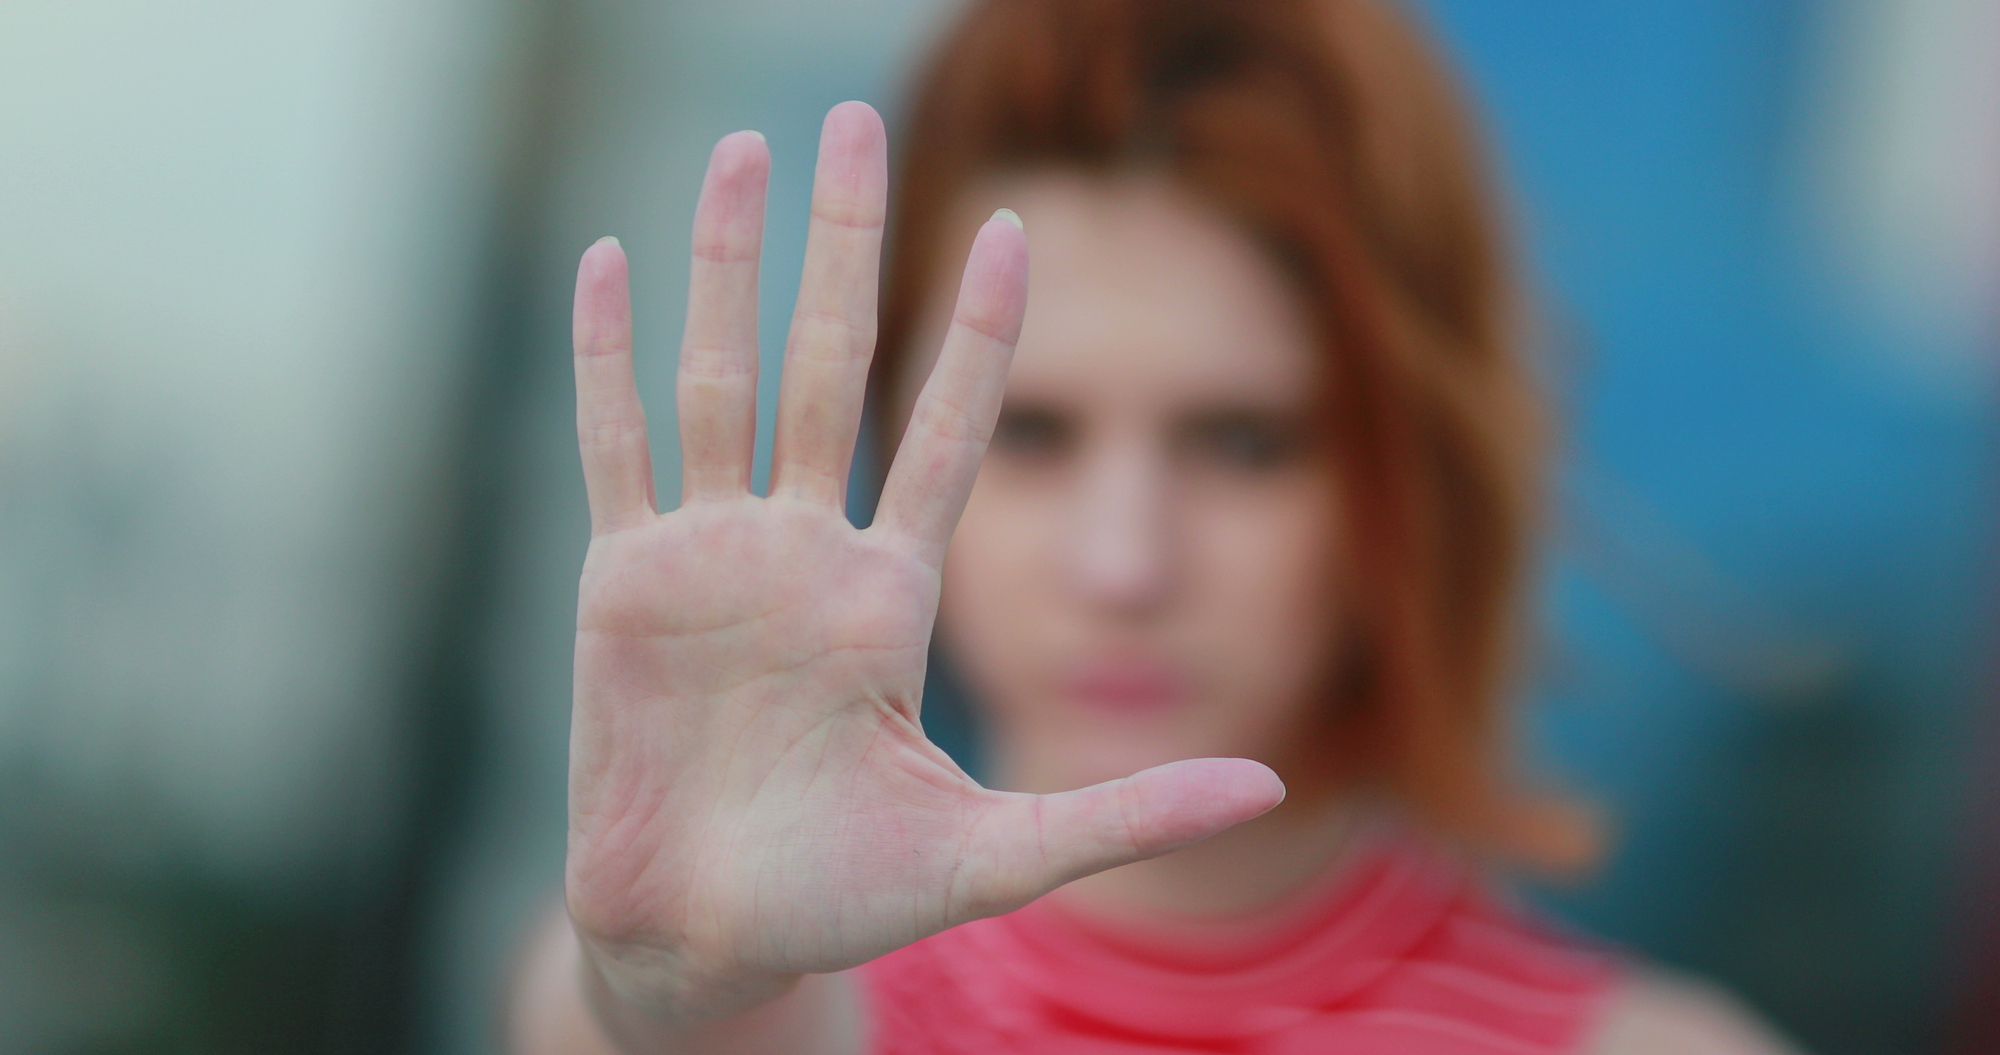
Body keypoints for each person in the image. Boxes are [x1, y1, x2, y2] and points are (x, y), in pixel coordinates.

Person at [509, 0, 1804, 1051]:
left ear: (1406, 470)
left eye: (1246, 444)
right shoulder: (739, 996)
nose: (1122, 562)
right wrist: (678, 1003)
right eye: (1032, 432)